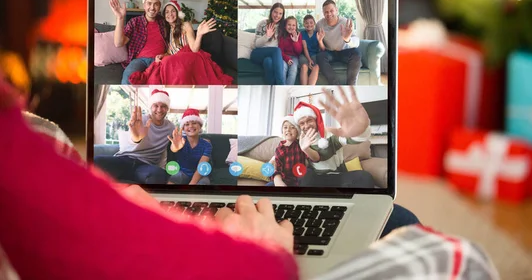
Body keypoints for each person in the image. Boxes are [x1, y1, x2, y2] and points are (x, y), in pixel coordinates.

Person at [0, 77, 500, 280]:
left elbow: (368, 173)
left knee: (391, 212)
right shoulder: (273, 147)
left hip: (317, 192)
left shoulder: (328, 144)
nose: (300, 128)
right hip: (255, 233)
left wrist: (361, 139)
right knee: (458, 259)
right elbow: (203, 168)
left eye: (306, 123)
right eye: (294, 124)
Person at [128, 0, 233, 85]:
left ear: (178, 13)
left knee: (167, 62)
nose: (170, 14)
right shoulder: (167, 29)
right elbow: (170, 51)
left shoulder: (186, 25)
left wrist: (200, 34)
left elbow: (194, 49)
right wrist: (161, 55)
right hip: (177, 58)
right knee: (161, 62)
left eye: (173, 11)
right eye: (167, 12)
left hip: (191, 56)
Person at [294, 89, 375, 188]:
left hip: (337, 176)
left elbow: (353, 140)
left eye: (309, 120)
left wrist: (361, 130)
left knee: (365, 177)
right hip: (315, 179)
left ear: (316, 120)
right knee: (303, 174)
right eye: (302, 123)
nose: (306, 126)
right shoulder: (299, 141)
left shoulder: (330, 134)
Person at [94, 89, 175, 184]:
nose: (159, 109)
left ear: (167, 108)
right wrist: (136, 139)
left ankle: (121, 177)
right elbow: (132, 139)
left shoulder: (170, 127)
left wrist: (176, 148)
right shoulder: (140, 120)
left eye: (164, 106)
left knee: (157, 175)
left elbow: (172, 151)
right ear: (150, 107)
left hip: (145, 166)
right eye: (156, 105)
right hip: (125, 159)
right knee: (96, 162)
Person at [111, 0, 168, 85]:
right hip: (139, 60)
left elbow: (175, 39)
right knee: (128, 80)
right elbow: (118, 43)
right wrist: (120, 18)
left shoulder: (165, 23)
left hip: (160, 60)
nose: (152, 8)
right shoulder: (135, 22)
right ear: (144, 5)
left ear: (159, 6)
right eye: (149, 3)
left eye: (156, 4)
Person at [316, 0, 362, 86]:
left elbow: (357, 42)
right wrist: (320, 41)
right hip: (330, 52)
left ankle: (351, 86)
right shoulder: (319, 25)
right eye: (326, 12)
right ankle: (335, 85)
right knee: (320, 56)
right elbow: (319, 46)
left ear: (336, 10)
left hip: (345, 51)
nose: (329, 14)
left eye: (331, 11)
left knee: (356, 53)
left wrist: (347, 39)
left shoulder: (345, 22)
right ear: (323, 13)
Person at [167, 108, 212, 185]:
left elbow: (201, 167)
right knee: (174, 178)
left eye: (194, 123)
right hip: (182, 173)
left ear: (200, 126)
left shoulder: (207, 145)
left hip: (200, 174)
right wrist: (175, 147)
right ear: (183, 128)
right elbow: (173, 149)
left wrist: (192, 184)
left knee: (205, 183)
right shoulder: (180, 141)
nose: (191, 126)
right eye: (187, 124)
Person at [250, 3, 285, 85]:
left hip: (271, 56)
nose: (277, 15)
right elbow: (257, 45)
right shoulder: (262, 24)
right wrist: (267, 36)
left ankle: (272, 88)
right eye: (275, 12)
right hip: (258, 53)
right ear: (271, 12)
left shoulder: (282, 26)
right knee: (276, 50)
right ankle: (281, 84)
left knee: (268, 62)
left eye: (280, 13)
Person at [269, 116, 309, 187]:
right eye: (285, 127)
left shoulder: (301, 144)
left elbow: (310, 158)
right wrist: (278, 181)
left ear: (297, 131)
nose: (288, 130)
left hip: (299, 179)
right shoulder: (280, 148)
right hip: (284, 179)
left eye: (292, 127)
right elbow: (277, 168)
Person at [278, 16, 303, 85]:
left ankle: (288, 87)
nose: (291, 27)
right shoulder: (282, 36)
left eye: (293, 25)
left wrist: (295, 41)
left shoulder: (298, 35)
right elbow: (280, 51)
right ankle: (282, 87)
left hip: (295, 57)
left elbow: (299, 52)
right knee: (283, 67)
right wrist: (287, 59)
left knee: (293, 69)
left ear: (296, 27)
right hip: (284, 56)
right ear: (285, 26)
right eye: (289, 25)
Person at [299, 14, 320, 85]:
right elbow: (305, 48)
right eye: (306, 23)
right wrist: (309, 60)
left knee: (316, 67)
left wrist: (320, 40)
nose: (309, 24)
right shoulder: (302, 33)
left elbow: (322, 48)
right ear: (304, 24)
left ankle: (309, 90)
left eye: (311, 22)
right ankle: (304, 90)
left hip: (314, 55)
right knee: (304, 67)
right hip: (304, 55)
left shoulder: (317, 33)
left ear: (314, 23)